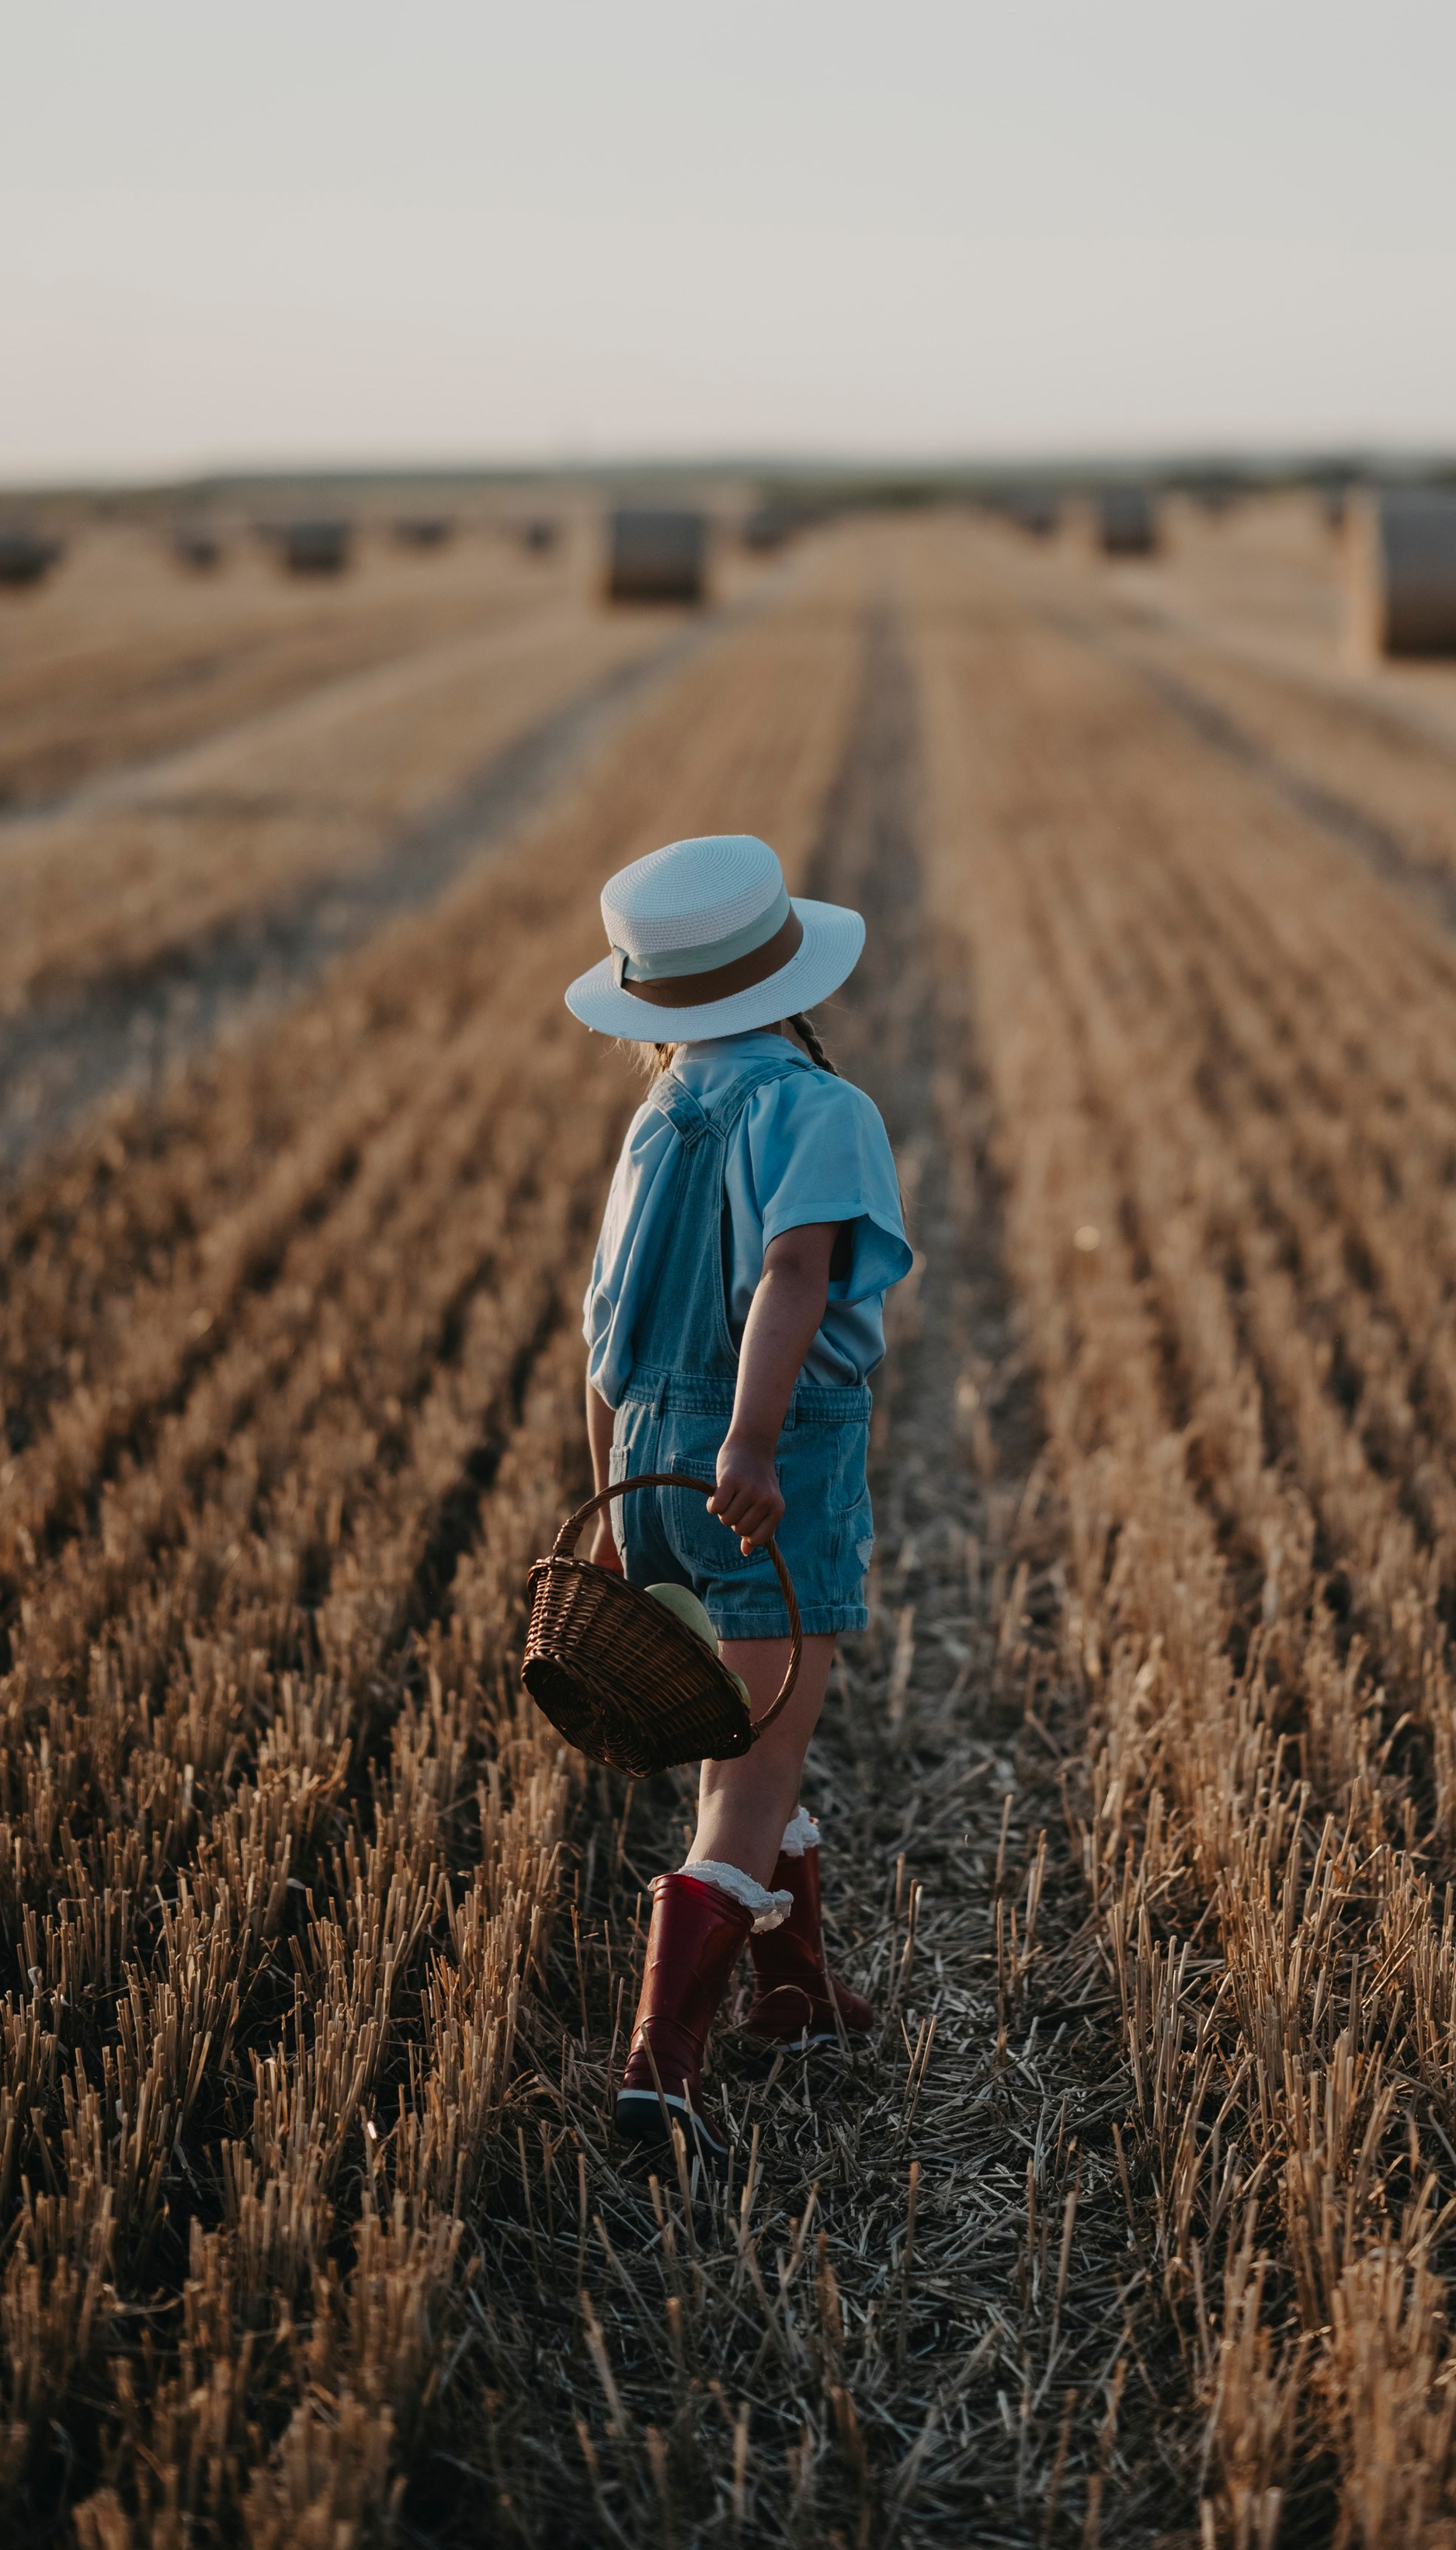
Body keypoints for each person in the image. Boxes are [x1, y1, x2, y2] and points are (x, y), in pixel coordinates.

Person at [565, 832, 913, 2159]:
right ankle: (663, 2066)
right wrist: (755, 1448)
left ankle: (795, 1989)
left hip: (647, 1460)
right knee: (753, 1775)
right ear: (786, 975)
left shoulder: (655, 1122)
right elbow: (793, 1280)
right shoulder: (819, 1110)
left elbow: (601, 1335)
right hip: (764, 1468)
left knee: (740, 1731)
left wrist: (612, 1511)